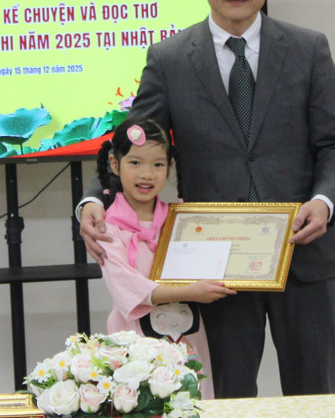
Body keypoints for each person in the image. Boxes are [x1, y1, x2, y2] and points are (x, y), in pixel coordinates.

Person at [80, 0, 335, 399]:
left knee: (314, 396)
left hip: (304, 255)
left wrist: (325, 201)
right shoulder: (169, 58)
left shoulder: (308, 49)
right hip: (214, 265)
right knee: (226, 397)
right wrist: (92, 201)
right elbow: (130, 144)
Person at [96, 116, 234, 400]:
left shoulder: (180, 218)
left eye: (158, 164)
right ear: (114, 164)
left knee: (192, 399)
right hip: (134, 339)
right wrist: (191, 291)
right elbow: (127, 289)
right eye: (135, 163)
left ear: (169, 167)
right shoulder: (108, 227)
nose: (146, 174)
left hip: (188, 336)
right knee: (143, 402)